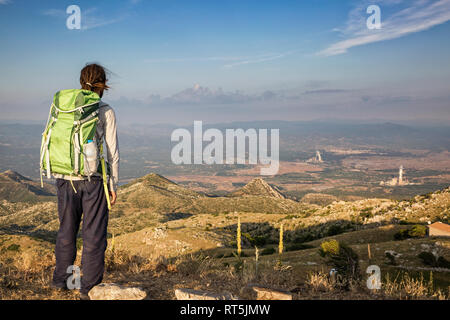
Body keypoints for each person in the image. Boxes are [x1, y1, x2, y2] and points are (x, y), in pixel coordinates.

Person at [50, 63, 119, 300]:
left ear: (81, 81)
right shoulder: (105, 110)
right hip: (93, 180)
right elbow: (112, 152)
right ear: (103, 85)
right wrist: (113, 185)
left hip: (63, 176)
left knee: (66, 231)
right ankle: (88, 289)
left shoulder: (64, 107)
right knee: (94, 235)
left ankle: (63, 282)